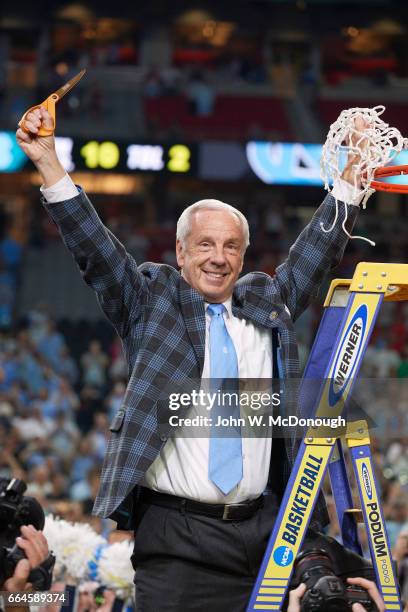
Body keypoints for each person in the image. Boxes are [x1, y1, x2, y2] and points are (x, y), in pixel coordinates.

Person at [17, 109, 383, 611]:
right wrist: (48, 163)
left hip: (261, 539)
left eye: (232, 246)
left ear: (244, 255)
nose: (219, 257)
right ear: (181, 252)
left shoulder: (266, 306)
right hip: (176, 543)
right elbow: (97, 251)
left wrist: (349, 176)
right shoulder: (153, 303)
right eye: (205, 245)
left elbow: (314, 254)